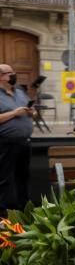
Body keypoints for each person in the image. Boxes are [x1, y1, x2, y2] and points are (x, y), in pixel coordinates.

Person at [0, 64, 35, 217]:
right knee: (4, 178)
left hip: (24, 142)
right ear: (1, 77)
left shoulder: (20, 92)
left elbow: (29, 110)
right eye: (9, 73)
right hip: (5, 142)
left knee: (23, 177)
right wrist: (14, 113)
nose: (13, 75)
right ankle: (3, 213)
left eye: (13, 72)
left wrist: (32, 112)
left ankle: (24, 210)